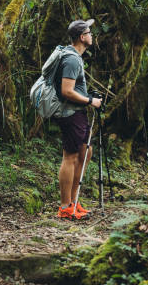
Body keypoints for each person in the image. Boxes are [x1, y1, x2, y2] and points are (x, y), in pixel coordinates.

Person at [54, 19, 102, 220]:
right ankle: (65, 206)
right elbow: (67, 91)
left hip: (78, 113)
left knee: (86, 151)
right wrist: (90, 100)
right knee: (70, 157)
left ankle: (74, 203)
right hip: (70, 113)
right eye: (89, 32)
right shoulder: (72, 59)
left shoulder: (75, 57)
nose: (92, 35)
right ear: (82, 37)